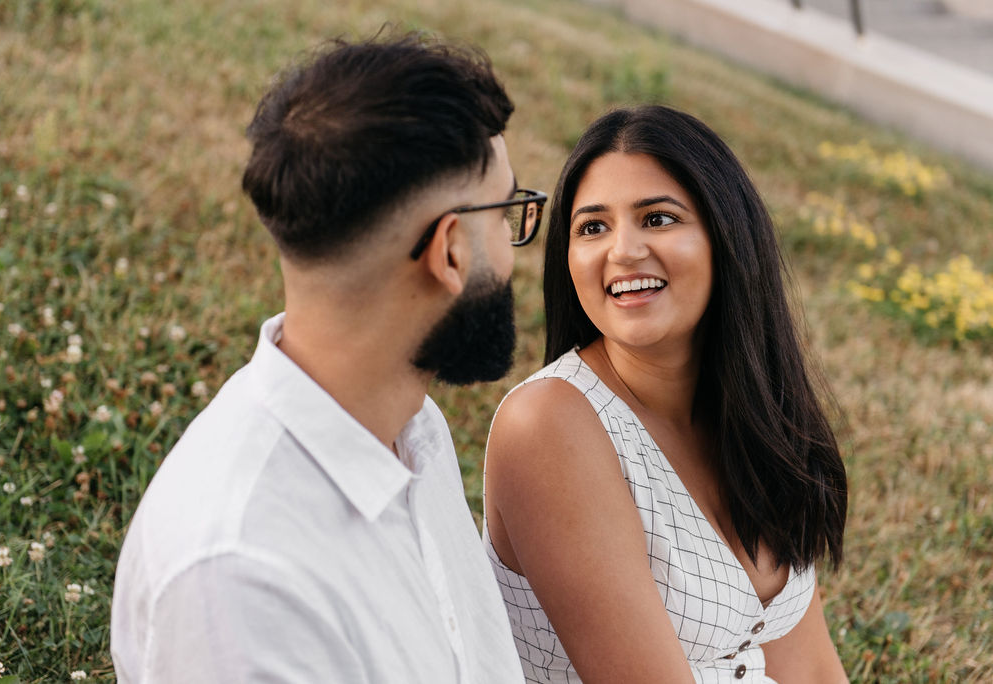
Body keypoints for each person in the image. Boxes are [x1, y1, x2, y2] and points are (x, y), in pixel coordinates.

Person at [111, 33, 547, 683]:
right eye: (508, 210)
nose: (515, 251)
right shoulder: (242, 578)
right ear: (451, 251)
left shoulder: (406, 427)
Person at [482, 105, 848, 683]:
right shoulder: (550, 424)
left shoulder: (757, 418)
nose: (622, 251)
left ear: (727, 236)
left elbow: (811, 668)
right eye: (593, 227)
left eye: (657, 218)